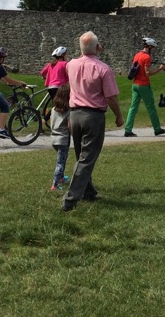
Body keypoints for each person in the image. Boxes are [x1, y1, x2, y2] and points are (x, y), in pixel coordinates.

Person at [62, 31, 124, 212]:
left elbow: (70, 88)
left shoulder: (70, 65)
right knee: (87, 158)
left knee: (81, 155)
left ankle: (88, 192)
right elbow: (111, 97)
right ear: (98, 47)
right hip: (93, 116)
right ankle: (70, 199)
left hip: (74, 114)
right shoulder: (103, 69)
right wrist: (119, 116)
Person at [124, 37, 165, 137]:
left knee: (133, 108)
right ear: (149, 47)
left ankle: (128, 129)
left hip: (135, 85)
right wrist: (160, 68)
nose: (152, 50)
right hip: (144, 85)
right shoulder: (147, 57)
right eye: (152, 48)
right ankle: (157, 129)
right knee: (151, 108)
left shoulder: (137, 55)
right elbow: (148, 73)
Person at [49, 84, 71, 192]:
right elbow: (69, 126)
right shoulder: (68, 111)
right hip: (63, 139)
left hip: (53, 138)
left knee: (62, 159)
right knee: (60, 162)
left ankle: (61, 178)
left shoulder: (53, 109)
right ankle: (55, 184)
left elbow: (50, 122)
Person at [41, 46, 69, 123]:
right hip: (60, 88)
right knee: (62, 105)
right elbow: (68, 75)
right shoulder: (64, 64)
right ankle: (45, 119)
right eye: (66, 54)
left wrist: (45, 78)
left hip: (51, 87)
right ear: (62, 55)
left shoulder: (50, 64)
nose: (67, 56)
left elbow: (42, 73)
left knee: (57, 105)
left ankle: (50, 120)